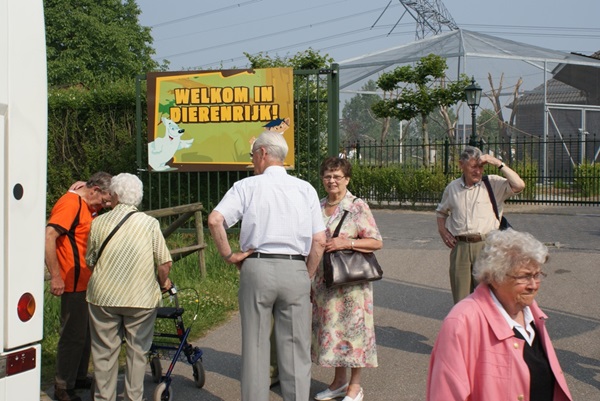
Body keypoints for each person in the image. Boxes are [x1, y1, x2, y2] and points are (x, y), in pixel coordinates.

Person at [208, 131, 326, 401]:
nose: (252, 162)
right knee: (296, 347)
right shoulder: (306, 189)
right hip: (295, 268)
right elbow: (319, 240)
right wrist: (306, 274)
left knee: (255, 346)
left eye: (252, 156)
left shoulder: (247, 187)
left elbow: (215, 220)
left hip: (257, 267)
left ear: (262, 153)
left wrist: (229, 255)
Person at [427, 229, 572, 401]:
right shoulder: (462, 321)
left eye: (537, 275)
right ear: (496, 277)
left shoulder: (530, 311)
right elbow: (446, 394)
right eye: (524, 277)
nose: (533, 285)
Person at [85, 173, 173, 401]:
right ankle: (133, 397)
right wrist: (163, 282)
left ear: (114, 195)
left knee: (104, 352)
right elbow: (164, 262)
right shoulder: (150, 224)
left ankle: (103, 398)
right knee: (137, 352)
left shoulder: (99, 222)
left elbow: (91, 260)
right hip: (141, 298)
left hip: (103, 297)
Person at [312, 157, 383, 401]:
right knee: (332, 331)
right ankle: (339, 382)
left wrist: (347, 242)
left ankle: (355, 386)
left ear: (347, 179)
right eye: (327, 176)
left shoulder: (357, 206)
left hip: (351, 284)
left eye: (337, 176)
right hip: (325, 282)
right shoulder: (317, 206)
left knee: (354, 333)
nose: (332, 181)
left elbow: (376, 242)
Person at [45, 172, 113, 401]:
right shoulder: (70, 204)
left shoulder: (85, 203)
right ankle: (63, 386)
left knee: (85, 333)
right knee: (72, 336)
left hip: (87, 282)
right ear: (94, 191)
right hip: (72, 283)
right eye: (103, 200)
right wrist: (56, 276)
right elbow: (49, 236)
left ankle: (79, 377)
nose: (104, 206)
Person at [436, 146, 525, 303]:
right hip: (460, 248)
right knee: (462, 300)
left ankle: (485, 328)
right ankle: (466, 327)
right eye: (473, 166)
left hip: (487, 246)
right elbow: (441, 212)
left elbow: (519, 185)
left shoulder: (492, 184)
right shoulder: (452, 188)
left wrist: (498, 163)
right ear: (461, 165)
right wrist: (443, 231)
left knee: (488, 298)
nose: (478, 171)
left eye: (481, 166)